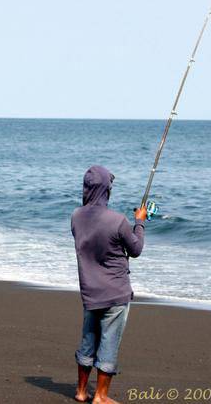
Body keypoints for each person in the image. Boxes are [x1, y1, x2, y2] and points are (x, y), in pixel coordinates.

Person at [71, 165, 146, 403]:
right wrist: (140, 222)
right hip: (115, 293)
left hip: (90, 292)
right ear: (106, 190)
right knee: (108, 343)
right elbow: (136, 249)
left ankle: (82, 391)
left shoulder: (76, 216)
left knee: (88, 340)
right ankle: (101, 396)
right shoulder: (118, 220)